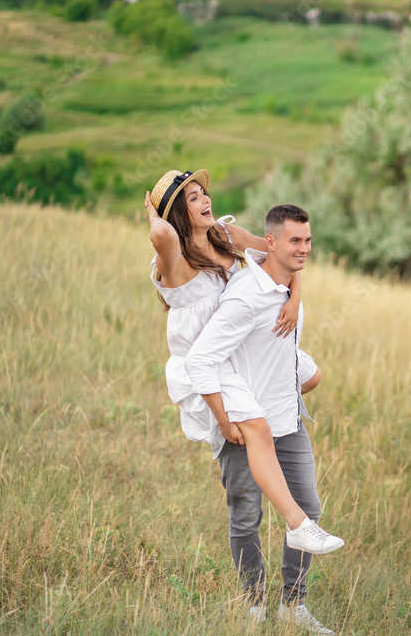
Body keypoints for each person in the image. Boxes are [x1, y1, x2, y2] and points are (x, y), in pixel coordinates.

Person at [144, 170, 343, 559]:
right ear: (176, 214)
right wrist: (153, 212)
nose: (205, 202)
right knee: (254, 438)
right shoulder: (174, 259)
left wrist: (295, 296)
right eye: (192, 199)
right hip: (206, 363)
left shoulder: (225, 235)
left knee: (312, 376)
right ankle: (297, 526)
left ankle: (293, 590)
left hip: (240, 351)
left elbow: (281, 254)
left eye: (204, 193)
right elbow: (162, 234)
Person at [185, 204, 338, 634]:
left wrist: (297, 293)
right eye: (295, 241)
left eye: (308, 240)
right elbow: (200, 361)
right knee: (246, 514)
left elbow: (289, 269)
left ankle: (294, 607)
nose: (304, 249)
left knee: (308, 509)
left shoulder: (287, 280)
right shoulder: (245, 296)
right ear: (269, 242)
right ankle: (252, 606)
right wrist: (225, 419)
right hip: (246, 425)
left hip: (287, 418)